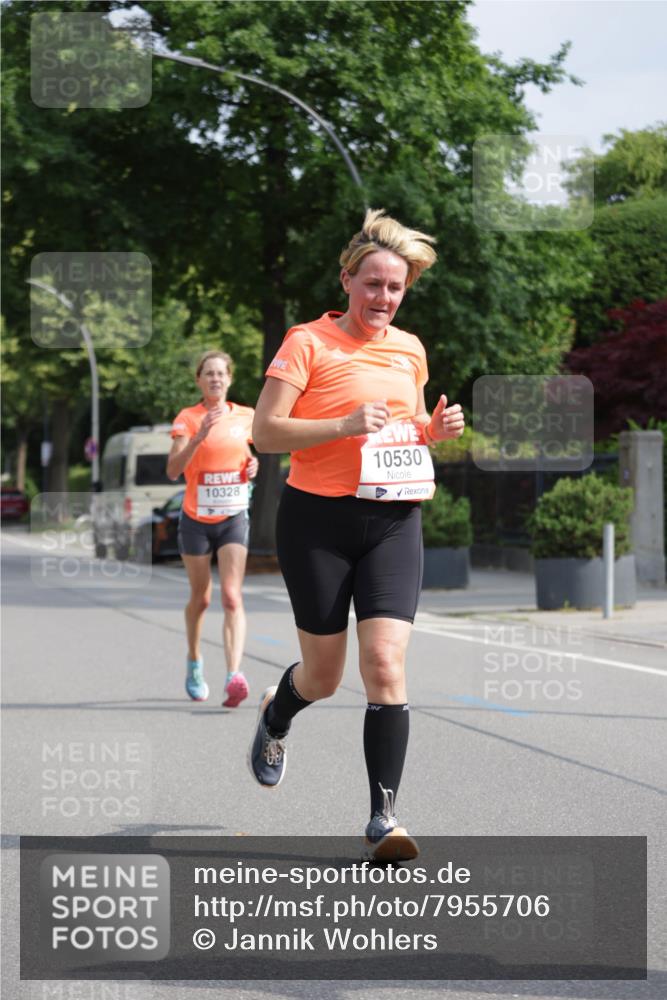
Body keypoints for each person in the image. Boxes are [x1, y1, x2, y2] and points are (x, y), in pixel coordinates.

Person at [249, 209, 465, 861]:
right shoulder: (306, 343)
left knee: (385, 663)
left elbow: (405, 428)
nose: (383, 297)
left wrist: (432, 431)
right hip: (316, 522)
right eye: (372, 284)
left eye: (395, 287)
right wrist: (342, 424)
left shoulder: (410, 349)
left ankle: (383, 819)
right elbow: (264, 433)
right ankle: (277, 714)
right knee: (322, 676)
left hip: (392, 521)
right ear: (346, 281)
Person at [167, 350, 258, 708]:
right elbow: (173, 470)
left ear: (230, 379)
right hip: (196, 521)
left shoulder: (246, 416)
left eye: (221, 373)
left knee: (232, 596)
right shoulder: (188, 418)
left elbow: (250, 455)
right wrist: (199, 436)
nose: (215, 378)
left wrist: (253, 466)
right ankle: (194, 660)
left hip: (233, 516)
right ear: (199, 380)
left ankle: (234, 675)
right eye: (208, 373)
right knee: (202, 598)